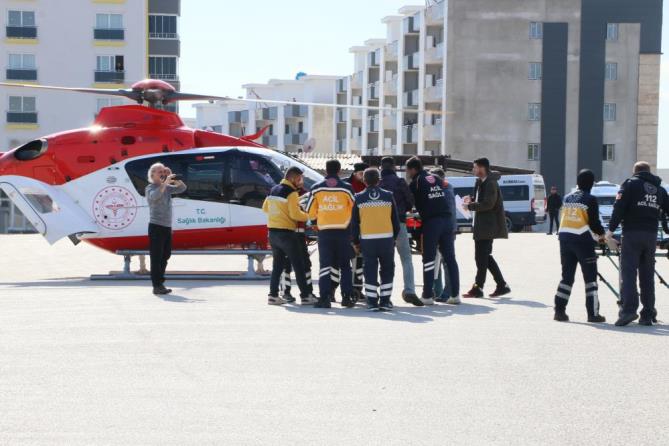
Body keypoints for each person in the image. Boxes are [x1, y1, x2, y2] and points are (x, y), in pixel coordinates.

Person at [607, 162, 669, 326]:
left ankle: (629, 310)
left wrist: (609, 232)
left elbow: (619, 208)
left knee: (628, 273)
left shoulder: (630, 184)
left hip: (631, 234)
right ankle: (647, 314)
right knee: (647, 276)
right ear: (649, 172)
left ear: (635, 172)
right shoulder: (660, 189)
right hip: (651, 236)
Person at [552, 169, 606, 323]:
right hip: (582, 240)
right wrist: (603, 236)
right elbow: (594, 223)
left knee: (567, 277)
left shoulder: (567, 197)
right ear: (591, 184)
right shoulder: (590, 199)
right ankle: (593, 314)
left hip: (564, 239)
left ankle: (559, 311)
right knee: (590, 279)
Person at [406, 157, 459, 306]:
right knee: (450, 258)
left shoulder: (416, 182)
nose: (407, 173)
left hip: (432, 223)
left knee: (428, 258)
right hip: (447, 221)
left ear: (412, 169)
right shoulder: (436, 178)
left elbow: (409, 203)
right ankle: (455, 295)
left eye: (407, 170)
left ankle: (427, 295)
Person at [262, 167, 318, 306]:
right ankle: (305, 296)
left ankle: (273, 296)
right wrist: (309, 216)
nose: (300, 181)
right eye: (299, 179)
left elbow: (265, 208)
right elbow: (295, 215)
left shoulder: (273, 190)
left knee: (277, 266)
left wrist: (280, 214)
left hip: (272, 233)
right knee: (298, 265)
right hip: (287, 234)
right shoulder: (291, 193)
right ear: (292, 178)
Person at [307, 159, 356, 308]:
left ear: (326, 170)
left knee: (325, 266)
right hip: (344, 231)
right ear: (339, 171)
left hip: (324, 231)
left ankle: (325, 298)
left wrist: (315, 222)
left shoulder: (316, 188)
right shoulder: (347, 188)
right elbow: (355, 208)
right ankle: (347, 297)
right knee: (345, 266)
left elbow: (310, 211)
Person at [352, 168, 400, 311]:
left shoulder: (358, 197)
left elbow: (354, 223)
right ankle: (385, 301)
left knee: (370, 270)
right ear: (379, 180)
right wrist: (393, 238)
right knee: (388, 269)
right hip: (386, 240)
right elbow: (396, 222)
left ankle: (372, 302)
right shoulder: (388, 196)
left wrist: (356, 242)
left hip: (368, 241)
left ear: (364, 181)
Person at [462, 158, 510, 298]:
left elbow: (489, 204)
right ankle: (501, 285)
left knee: (481, 258)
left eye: (475, 167)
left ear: (482, 168)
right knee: (484, 257)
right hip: (481, 225)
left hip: (488, 226)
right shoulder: (480, 182)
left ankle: (479, 287)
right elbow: (480, 200)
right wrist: (471, 199)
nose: (473, 170)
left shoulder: (491, 183)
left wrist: (470, 206)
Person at [379, 156, 420, 304]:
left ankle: (384, 294)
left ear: (381, 168)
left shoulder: (378, 183)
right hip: (400, 223)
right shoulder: (400, 182)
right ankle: (409, 290)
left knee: (385, 261)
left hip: (382, 226)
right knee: (406, 258)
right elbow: (410, 201)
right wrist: (403, 209)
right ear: (394, 167)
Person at [145, 163, 187, 295]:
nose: (162, 174)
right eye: (159, 172)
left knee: (165, 256)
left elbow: (182, 188)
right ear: (152, 175)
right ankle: (156, 285)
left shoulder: (167, 187)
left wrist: (173, 178)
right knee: (156, 258)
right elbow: (155, 196)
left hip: (167, 227)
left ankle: (160, 283)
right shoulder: (150, 188)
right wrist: (165, 183)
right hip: (156, 226)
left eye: (163, 172)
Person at [430, 168, 461, 304]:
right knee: (441, 260)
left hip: (446, 230)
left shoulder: (445, 189)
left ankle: (447, 292)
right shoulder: (448, 188)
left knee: (445, 261)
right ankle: (440, 291)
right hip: (449, 228)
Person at [346, 162, 369, 296]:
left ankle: (357, 290)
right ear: (355, 173)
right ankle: (341, 289)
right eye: (361, 174)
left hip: (362, 226)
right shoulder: (347, 185)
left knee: (359, 260)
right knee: (345, 260)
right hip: (347, 226)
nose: (363, 176)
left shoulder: (369, 185)